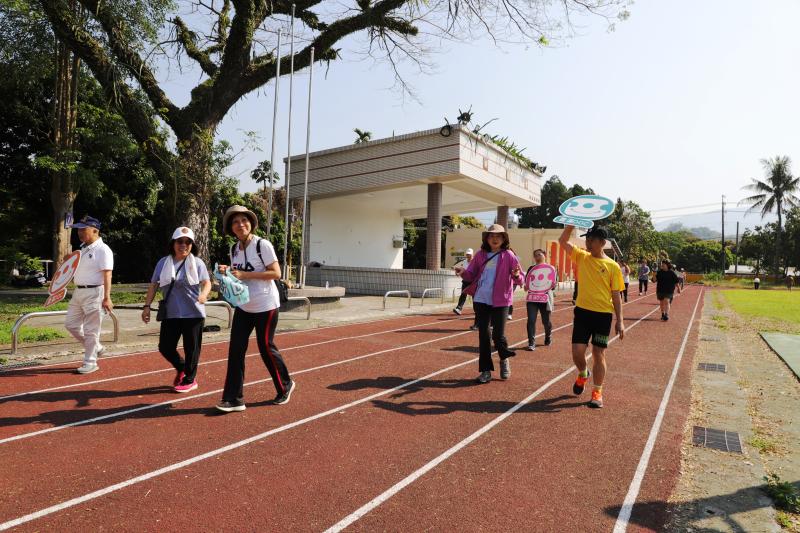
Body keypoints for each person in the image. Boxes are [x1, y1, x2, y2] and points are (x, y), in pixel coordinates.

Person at [216, 205, 295, 412]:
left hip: (266, 305)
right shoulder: (234, 249)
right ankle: (234, 399)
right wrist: (228, 272)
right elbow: (238, 275)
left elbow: (276, 273)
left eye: (244, 220)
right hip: (245, 306)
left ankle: (285, 385)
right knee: (235, 350)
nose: (240, 224)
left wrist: (245, 275)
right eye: (235, 222)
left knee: (265, 347)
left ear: (251, 223)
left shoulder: (263, 245)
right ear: (231, 227)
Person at [559, 225, 625, 409]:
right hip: (582, 313)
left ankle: (597, 391)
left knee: (598, 353)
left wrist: (620, 321)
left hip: (603, 316)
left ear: (603, 243)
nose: (588, 243)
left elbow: (616, 295)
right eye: (587, 239)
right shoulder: (582, 256)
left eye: (592, 240)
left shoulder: (613, 266)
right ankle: (583, 373)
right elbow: (562, 242)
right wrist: (570, 224)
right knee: (577, 352)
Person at [141, 227, 211, 392]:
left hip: (193, 313)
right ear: (173, 243)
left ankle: (190, 379)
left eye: (188, 242)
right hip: (171, 314)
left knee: (191, 349)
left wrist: (204, 295)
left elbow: (206, 282)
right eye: (180, 241)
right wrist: (146, 307)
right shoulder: (163, 263)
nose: (184, 245)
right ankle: (182, 368)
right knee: (165, 347)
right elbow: (154, 285)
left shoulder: (197, 263)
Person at [455, 224, 523, 383]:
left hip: (501, 300)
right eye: (491, 236)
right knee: (484, 335)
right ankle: (485, 370)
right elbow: (471, 275)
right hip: (481, 299)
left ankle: (504, 358)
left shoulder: (509, 255)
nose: (494, 239)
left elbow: (520, 278)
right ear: (486, 238)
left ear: (504, 239)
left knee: (498, 335)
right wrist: (463, 273)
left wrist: (516, 276)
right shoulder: (480, 255)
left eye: (498, 236)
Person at [64, 215, 114, 374]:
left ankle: (90, 362)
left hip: (95, 292)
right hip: (78, 291)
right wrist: (68, 260)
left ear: (95, 230)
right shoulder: (82, 249)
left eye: (83, 229)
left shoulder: (103, 249)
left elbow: (107, 274)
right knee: (71, 324)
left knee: (91, 330)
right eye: (78, 229)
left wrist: (107, 297)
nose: (79, 232)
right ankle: (97, 347)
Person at [525, 249, 556, 351]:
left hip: (545, 298)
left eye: (539, 254)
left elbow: (553, 285)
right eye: (535, 255)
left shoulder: (551, 268)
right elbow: (527, 283)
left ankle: (548, 336)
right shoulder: (531, 268)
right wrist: (526, 286)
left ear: (544, 255)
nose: (538, 257)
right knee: (531, 320)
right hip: (532, 298)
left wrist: (552, 285)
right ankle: (531, 342)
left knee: (546, 321)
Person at [453, 248, 474, 316]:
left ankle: (477, 309)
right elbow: (463, 269)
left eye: (469, 254)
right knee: (463, 294)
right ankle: (459, 308)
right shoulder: (464, 262)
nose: (468, 256)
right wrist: (457, 271)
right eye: (467, 254)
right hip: (465, 281)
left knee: (475, 296)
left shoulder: (474, 262)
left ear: (472, 255)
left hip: (473, 281)